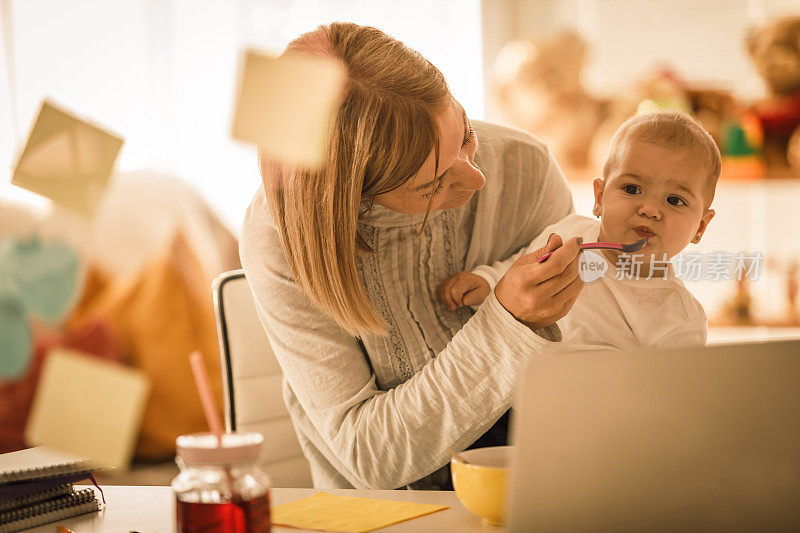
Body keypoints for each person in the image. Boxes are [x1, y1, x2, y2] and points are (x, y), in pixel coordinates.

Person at [239, 22, 584, 490]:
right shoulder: (277, 241)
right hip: (377, 514)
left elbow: (587, 361)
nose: (478, 180)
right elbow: (370, 456)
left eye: (464, 134)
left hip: (543, 487)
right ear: (351, 198)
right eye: (432, 185)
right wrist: (507, 323)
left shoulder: (525, 166)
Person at [438, 111, 719, 349]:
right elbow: (525, 270)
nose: (650, 209)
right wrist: (487, 281)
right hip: (525, 391)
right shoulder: (571, 233)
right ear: (599, 198)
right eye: (632, 189)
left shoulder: (679, 318)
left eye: (674, 200)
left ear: (701, 227)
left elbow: (674, 397)